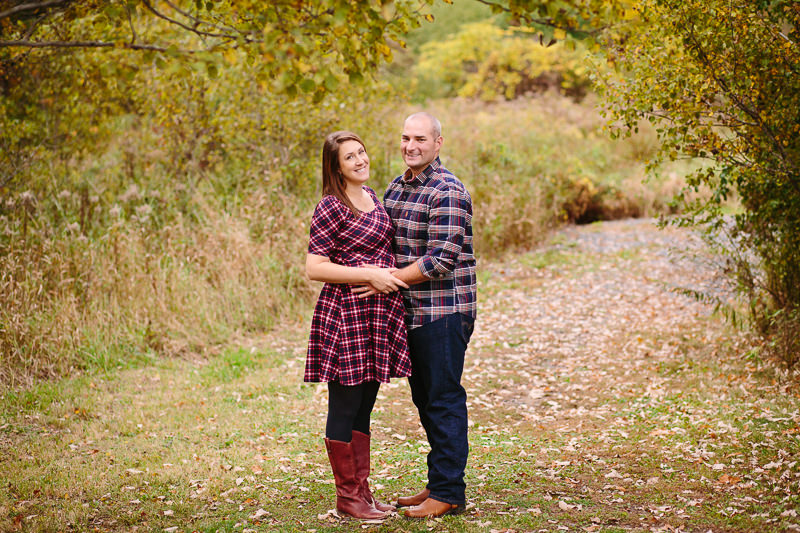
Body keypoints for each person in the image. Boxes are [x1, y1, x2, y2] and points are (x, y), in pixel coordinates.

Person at [354, 112, 477, 519]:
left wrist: (386, 280)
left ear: (438, 143)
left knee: (442, 399)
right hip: (409, 313)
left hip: (444, 312)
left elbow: (440, 259)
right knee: (425, 399)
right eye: (406, 138)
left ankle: (448, 493)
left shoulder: (447, 190)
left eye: (420, 139)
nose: (411, 146)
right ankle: (438, 482)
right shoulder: (395, 187)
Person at [305, 130, 412, 520]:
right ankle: (346, 497)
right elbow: (315, 267)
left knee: (365, 406)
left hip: (377, 316)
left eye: (362, 152)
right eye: (350, 157)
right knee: (345, 404)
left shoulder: (372, 199)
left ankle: (362, 493)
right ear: (336, 166)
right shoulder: (330, 207)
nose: (360, 160)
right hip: (345, 314)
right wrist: (368, 273)